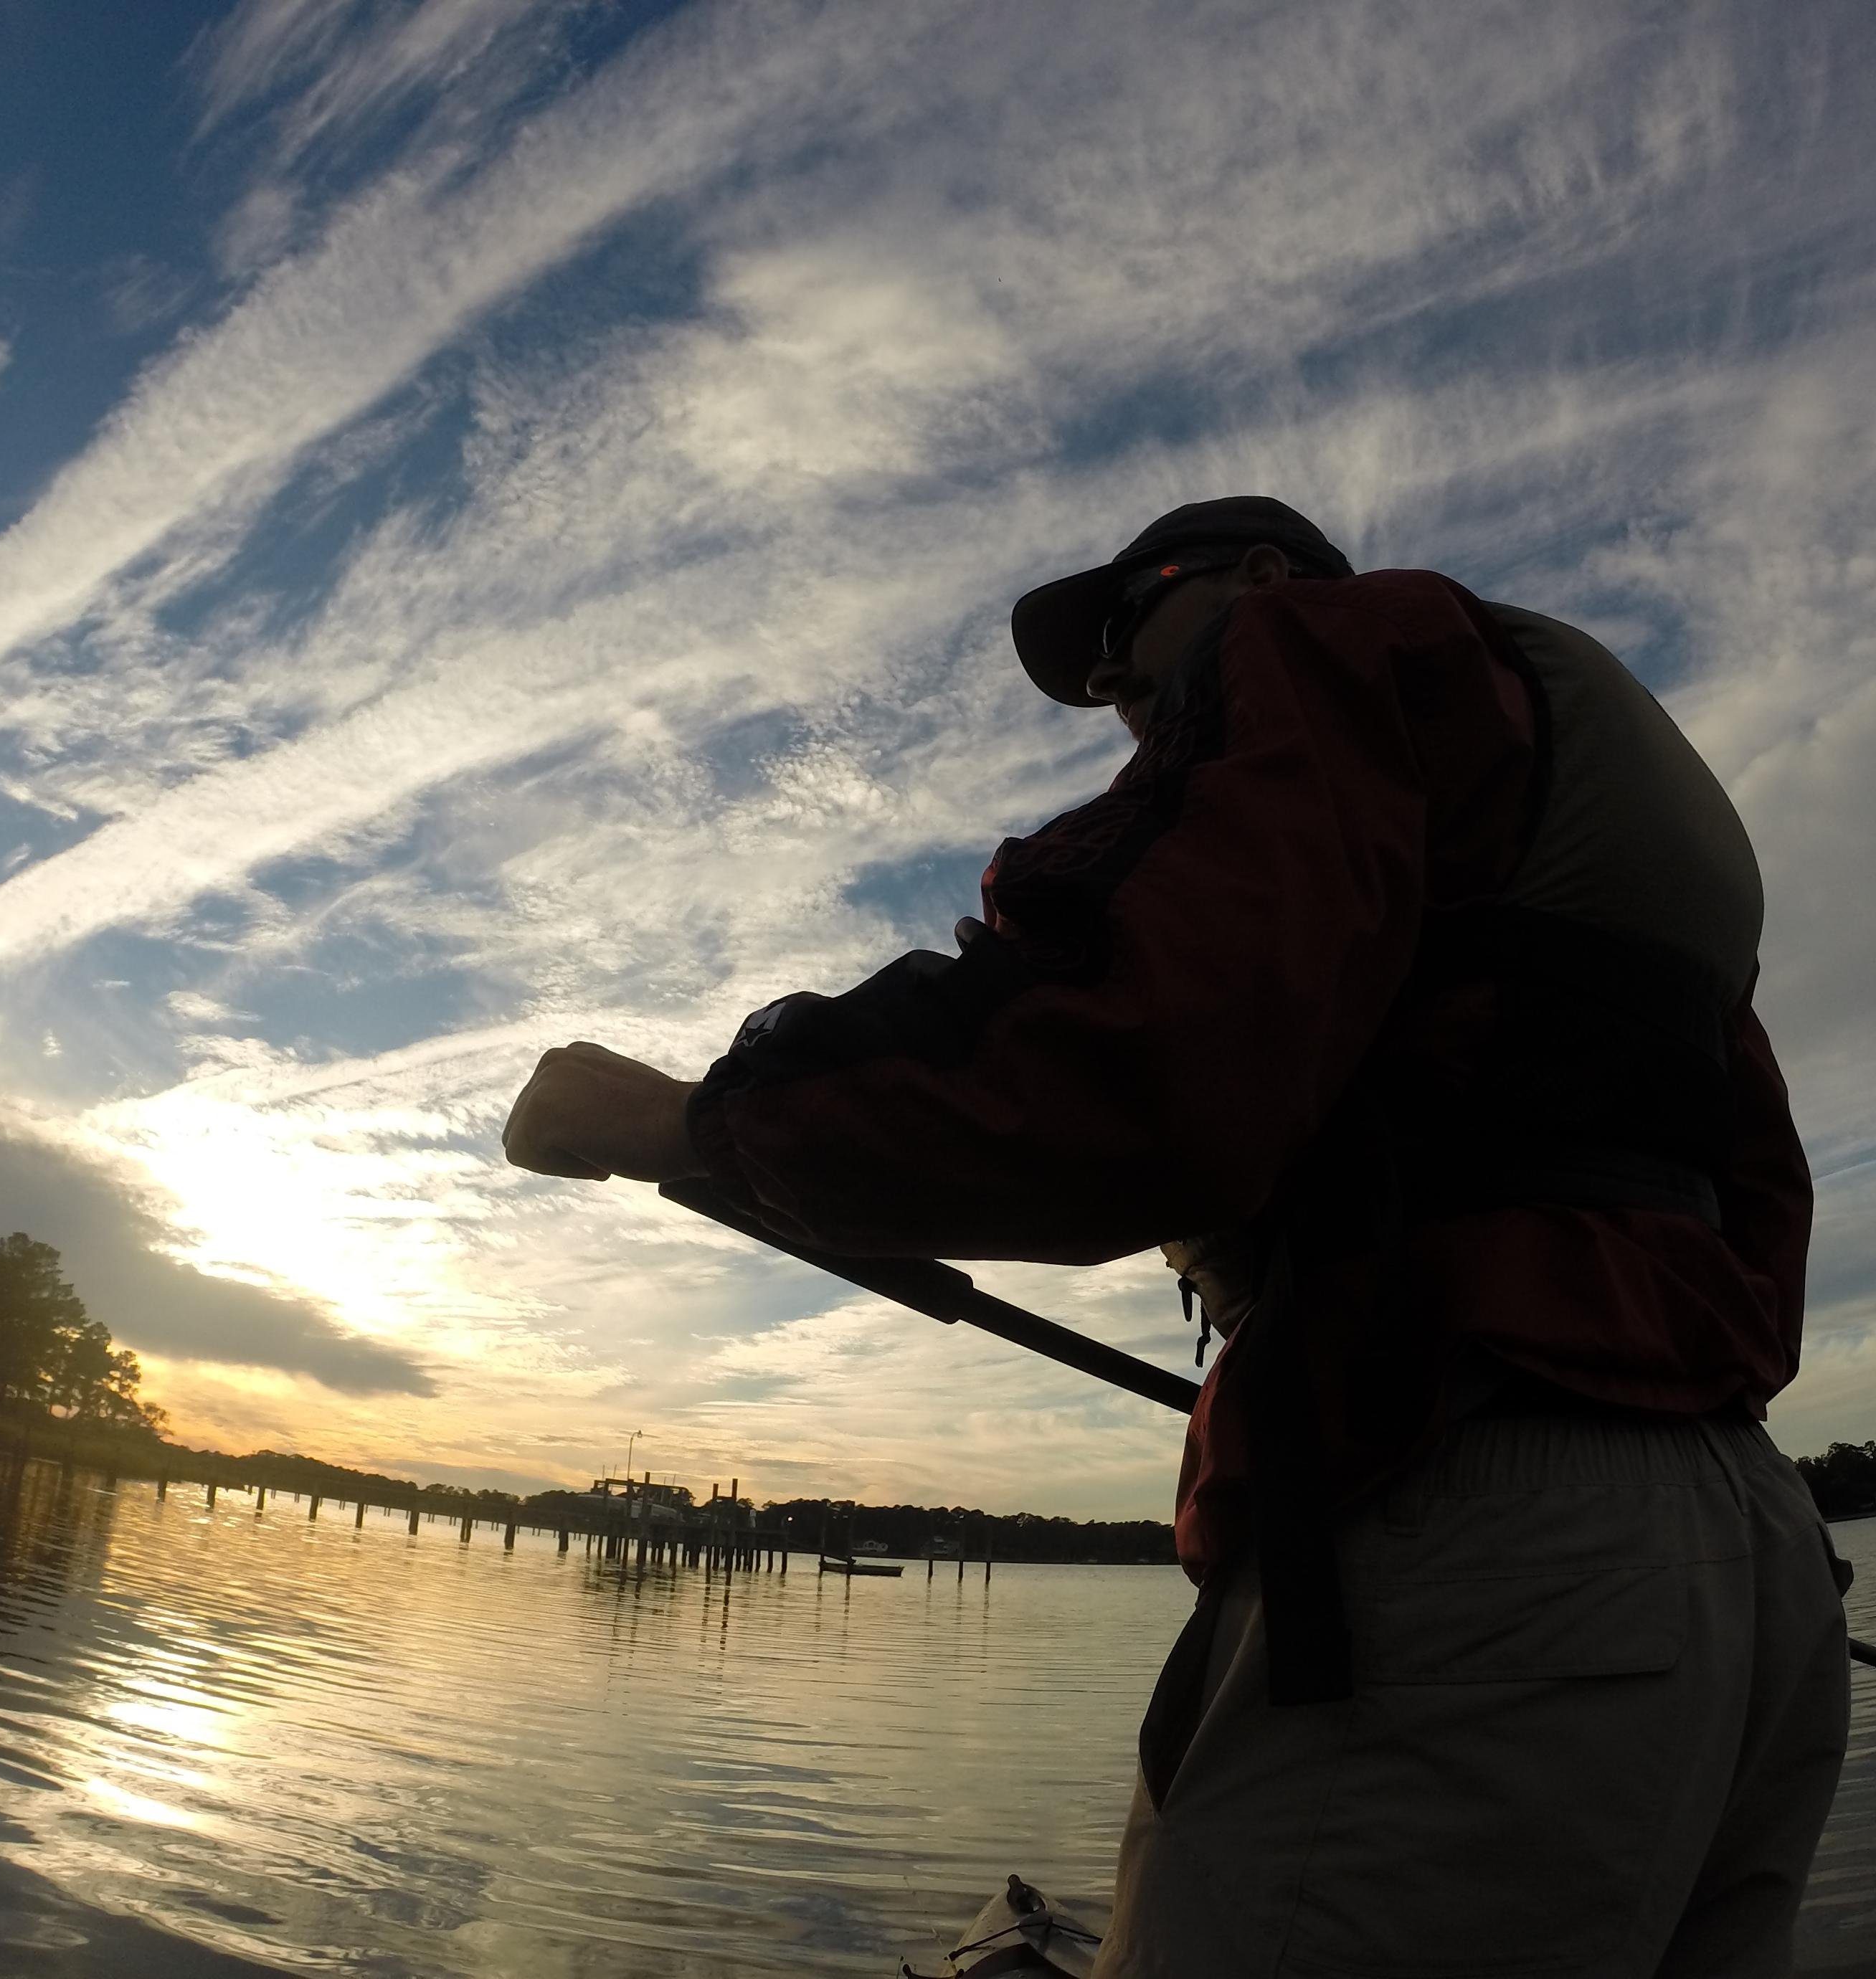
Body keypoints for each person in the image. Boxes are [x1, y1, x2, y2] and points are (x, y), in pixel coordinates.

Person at [503, 495, 1852, 1975]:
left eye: (1131, 622)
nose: (1114, 688)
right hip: (1753, 1572)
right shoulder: (1581, 808)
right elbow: (1758, 1204)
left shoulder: (1319, 648)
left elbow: (1111, 1060)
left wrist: (692, 1120)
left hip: (1492, 1563)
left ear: (1258, 580)